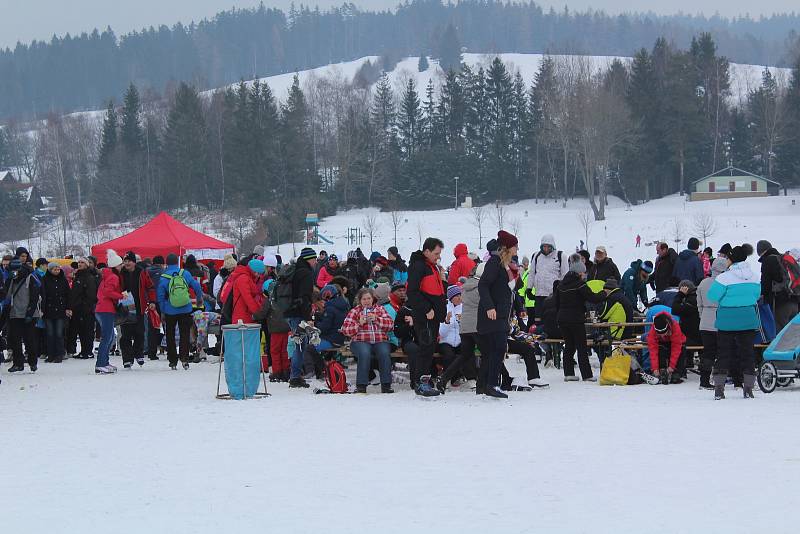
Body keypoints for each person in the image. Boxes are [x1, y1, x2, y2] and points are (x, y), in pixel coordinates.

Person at [708, 244, 761, 399]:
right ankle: (749, 388)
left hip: (727, 320)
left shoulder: (724, 278)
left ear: (731, 260)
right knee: (747, 353)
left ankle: (719, 388)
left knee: (724, 353)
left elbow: (712, 296)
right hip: (748, 318)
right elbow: (756, 295)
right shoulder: (754, 276)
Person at [477, 230, 519, 398]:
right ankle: (491, 384)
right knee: (497, 348)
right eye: (515, 246)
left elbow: (507, 291)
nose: (517, 249)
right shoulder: (494, 263)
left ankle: (491, 384)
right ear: (507, 248)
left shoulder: (506, 266)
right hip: (492, 314)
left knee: (497, 349)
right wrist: (489, 307)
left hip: (501, 314)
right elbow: (483, 285)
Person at [406, 237, 447, 396]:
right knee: (426, 348)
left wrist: (443, 281)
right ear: (427, 251)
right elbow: (412, 292)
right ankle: (421, 383)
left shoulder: (432, 267)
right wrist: (427, 309)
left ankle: (425, 380)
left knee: (429, 349)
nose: (438, 256)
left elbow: (436, 292)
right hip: (425, 316)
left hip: (434, 317)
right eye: (436, 253)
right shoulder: (418, 266)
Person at [555, 253, 606, 381]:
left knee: (569, 346)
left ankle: (569, 374)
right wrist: (604, 293)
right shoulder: (580, 284)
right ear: (579, 272)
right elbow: (593, 298)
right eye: (583, 272)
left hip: (562, 319)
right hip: (576, 319)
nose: (584, 275)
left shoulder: (561, 285)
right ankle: (587, 375)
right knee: (581, 347)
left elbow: (556, 303)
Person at [340, 287, 395, 394]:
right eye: (364, 299)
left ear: (372, 299)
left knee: (384, 353)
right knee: (364, 353)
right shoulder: (355, 311)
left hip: (380, 340)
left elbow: (390, 326)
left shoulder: (380, 309)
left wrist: (377, 319)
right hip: (360, 341)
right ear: (360, 300)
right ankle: (361, 385)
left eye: (369, 298)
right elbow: (345, 330)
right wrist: (359, 323)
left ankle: (386, 385)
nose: (367, 301)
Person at [158, 253, 203, 370]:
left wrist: (163, 311)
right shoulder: (185, 273)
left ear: (166, 263)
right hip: (185, 308)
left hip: (170, 310)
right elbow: (196, 286)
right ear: (178, 262)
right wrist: (199, 298)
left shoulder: (164, 276)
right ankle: (184, 359)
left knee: (170, 335)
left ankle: (172, 361)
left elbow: (160, 296)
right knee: (185, 333)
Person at [286, 247, 317, 388]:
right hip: (298, 314)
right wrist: (307, 318)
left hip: (291, 312)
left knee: (299, 344)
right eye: (314, 259)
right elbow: (304, 297)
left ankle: (295, 375)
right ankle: (295, 377)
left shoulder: (296, 270)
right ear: (308, 259)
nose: (315, 262)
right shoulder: (305, 273)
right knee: (300, 345)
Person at [696, 258, 729, 390]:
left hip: (705, 321)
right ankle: (719, 379)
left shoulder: (703, 283)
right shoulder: (725, 284)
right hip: (721, 321)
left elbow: (699, 304)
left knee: (708, 353)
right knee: (722, 352)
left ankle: (704, 380)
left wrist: (702, 315)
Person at [6, 261, 42, 373]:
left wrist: (30, 313)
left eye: (16, 270)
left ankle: (32, 362)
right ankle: (18, 363)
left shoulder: (30, 278)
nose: (14, 273)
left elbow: (35, 297)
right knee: (15, 340)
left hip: (28, 314)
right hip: (15, 314)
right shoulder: (11, 280)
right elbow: (6, 294)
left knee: (29, 339)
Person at [94, 250, 126, 374]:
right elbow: (108, 292)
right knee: (107, 337)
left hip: (103, 308)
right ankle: (101, 363)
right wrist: (121, 296)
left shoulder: (107, 276)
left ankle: (104, 362)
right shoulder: (113, 277)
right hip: (106, 309)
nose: (122, 266)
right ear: (116, 265)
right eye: (120, 264)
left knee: (110, 336)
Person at [757, 240, 798, 332]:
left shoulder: (768, 260)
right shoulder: (785, 258)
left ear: (761, 252)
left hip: (780, 304)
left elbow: (765, 285)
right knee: (792, 334)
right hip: (795, 302)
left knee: (780, 335)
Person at [525, 234, 568, 323]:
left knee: (552, 319)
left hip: (553, 295)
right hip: (539, 295)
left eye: (548, 246)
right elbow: (532, 273)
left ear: (553, 246)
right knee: (538, 320)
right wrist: (529, 288)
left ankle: (553, 335)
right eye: (544, 246)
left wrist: (562, 292)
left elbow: (565, 275)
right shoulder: (537, 256)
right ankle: (539, 334)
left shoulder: (561, 256)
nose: (546, 249)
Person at [254, 279, 291, 382]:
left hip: (275, 329)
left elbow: (262, 313)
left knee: (275, 351)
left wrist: (253, 315)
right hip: (286, 327)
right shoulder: (285, 299)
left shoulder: (269, 300)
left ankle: (277, 372)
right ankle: (286, 371)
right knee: (284, 351)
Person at [119, 251, 146, 368]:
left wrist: (152, 301)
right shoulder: (121, 273)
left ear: (134, 262)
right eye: (125, 261)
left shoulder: (141, 272)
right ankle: (127, 358)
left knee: (140, 332)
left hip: (139, 306)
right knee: (125, 334)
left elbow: (149, 287)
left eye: (129, 261)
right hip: (125, 307)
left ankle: (138, 353)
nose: (127, 263)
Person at [69, 257, 99, 360]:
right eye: (79, 262)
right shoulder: (78, 276)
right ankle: (83, 350)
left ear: (86, 265)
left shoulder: (89, 277)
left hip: (86, 309)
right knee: (81, 331)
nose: (80, 264)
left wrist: (85, 306)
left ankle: (88, 351)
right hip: (77, 308)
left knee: (87, 331)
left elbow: (91, 294)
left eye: (82, 262)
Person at [434, 285, 463, 392]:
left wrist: (461, 322)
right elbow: (441, 333)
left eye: (460, 295)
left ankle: (468, 378)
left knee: (466, 351)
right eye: (457, 296)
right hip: (445, 341)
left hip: (460, 340)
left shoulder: (464, 308)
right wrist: (446, 322)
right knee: (448, 354)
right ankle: (446, 379)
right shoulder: (444, 308)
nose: (460, 298)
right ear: (451, 298)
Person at [41, 263, 71, 363]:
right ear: (50, 270)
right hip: (48, 310)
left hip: (60, 309)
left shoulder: (63, 280)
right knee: (49, 334)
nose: (57, 271)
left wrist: (68, 307)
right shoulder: (45, 280)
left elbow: (67, 294)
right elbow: (43, 294)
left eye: (58, 269)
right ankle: (50, 354)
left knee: (59, 333)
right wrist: (42, 309)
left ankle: (59, 354)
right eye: (55, 269)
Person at [647, 312, 687, 385]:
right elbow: (653, 350)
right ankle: (661, 371)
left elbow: (676, 348)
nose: (662, 336)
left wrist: (672, 366)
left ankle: (677, 372)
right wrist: (655, 368)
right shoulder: (653, 331)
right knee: (660, 349)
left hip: (678, 343)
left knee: (681, 350)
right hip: (663, 344)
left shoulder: (675, 326)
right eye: (660, 334)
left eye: (664, 333)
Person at [671, 280, 700, 376]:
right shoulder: (698, 297)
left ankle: (680, 368)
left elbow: (675, 309)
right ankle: (690, 362)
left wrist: (680, 295)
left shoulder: (690, 301)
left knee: (677, 340)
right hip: (700, 335)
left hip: (692, 338)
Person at [140, 255, 165, 360]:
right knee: (166, 326)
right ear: (162, 263)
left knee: (152, 328)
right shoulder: (164, 273)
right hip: (162, 302)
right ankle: (166, 348)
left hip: (149, 302)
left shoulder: (145, 272)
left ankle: (151, 352)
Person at [229, 259, 265, 324]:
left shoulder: (248, 277)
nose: (258, 276)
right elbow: (248, 298)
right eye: (258, 273)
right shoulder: (243, 278)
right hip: (242, 319)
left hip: (245, 316)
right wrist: (258, 313)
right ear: (254, 270)